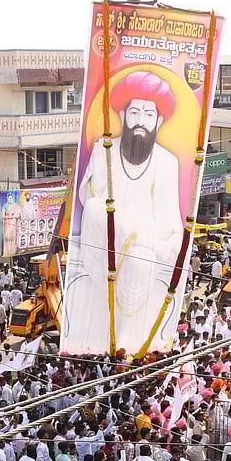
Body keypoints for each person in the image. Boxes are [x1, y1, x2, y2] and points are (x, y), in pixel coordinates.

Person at [63, 70, 183, 355]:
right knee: (97, 208)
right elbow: (90, 202)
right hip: (104, 247)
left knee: (141, 262)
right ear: (122, 115)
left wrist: (157, 244)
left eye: (149, 114)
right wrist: (130, 228)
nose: (140, 121)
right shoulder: (104, 150)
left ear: (159, 121)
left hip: (144, 255)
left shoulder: (167, 162)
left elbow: (171, 225)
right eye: (134, 112)